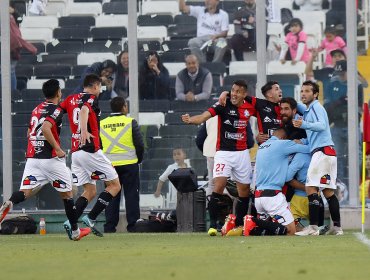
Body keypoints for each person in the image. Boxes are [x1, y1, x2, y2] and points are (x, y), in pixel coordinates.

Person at [0, 79, 90, 241]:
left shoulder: (36, 109)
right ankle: (75, 232)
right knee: (67, 195)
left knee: (25, 192)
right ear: (58, 93)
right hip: (50, 159)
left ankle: (9, 203)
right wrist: (57, 148)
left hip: (33, 158)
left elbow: (30, 133)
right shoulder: (56, 110)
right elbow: (46, 128)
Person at [44, 74, 121, 237]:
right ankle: (91, 218)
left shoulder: (70, 99)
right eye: (99, 88)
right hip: (90, 149)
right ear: (94, 87)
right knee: (115, 185)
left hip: (76, 153)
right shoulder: (92, 98)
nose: (100, 91)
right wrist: (84, 130)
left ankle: (70, 222)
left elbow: (57, 110)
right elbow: (85, 109)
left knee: (90, 190)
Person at [182, 80, 255, 235]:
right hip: (223, 153)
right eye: (232, 90)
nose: (234, 93)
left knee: (244, 191)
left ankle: (239, 226)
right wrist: (190, 120)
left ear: (244, 94)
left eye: (238, 91)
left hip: (242, 154)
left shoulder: (250, 106)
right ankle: (213, 226)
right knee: (218, 187)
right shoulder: (222, 105)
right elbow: (203, 117)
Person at [293, 80, 343, 235]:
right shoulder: (309, 110)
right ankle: (337, 227)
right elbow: (318, 133)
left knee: (310, 187)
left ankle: (313, 228)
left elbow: (322, 126)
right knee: (328, 191)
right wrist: (303, 140)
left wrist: (303, 124)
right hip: (327, 152)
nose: (304, 94)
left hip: (322, 153)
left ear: (315, 94)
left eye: (308, 91)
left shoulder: (316, 107)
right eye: (302, 91)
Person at [248, 128, 310, 236]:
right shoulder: (282, 144)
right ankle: (252, 221)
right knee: (291, 230)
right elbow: (308, 149)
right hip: (273, 197)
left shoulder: (262, 147)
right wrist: (302, 141)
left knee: (266, 232)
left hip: (259, 197)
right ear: (283, 138)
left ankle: (254, 226)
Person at [100, 96, 144, 233]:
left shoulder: (101, 123)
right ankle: (133, 226)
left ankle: (109, 227)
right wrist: (139, 159)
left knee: (111, 197)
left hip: (109, 166)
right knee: (131, 196)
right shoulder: (130, 122)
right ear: (124, 107)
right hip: (129, 164)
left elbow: (99, 147)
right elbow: (139, 144)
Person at [325, 60, 363, 183]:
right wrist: (340, 102)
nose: (340, 76)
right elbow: (328, 105)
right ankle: (341, 184)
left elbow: (360, 107)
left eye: (343, 73)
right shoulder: (332, 84)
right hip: (336, 124)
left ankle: (357, 182)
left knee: (356, 155)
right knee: (337, 156)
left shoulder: (356, 84)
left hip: (351, 124)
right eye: (339, 73)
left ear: (348, 71)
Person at [8, 10, 37, 91]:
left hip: (10, 49)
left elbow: (20, 19)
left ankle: (12, 96)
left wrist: (14, 11)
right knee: (10, 72)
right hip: (11, 48)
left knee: (10, 72)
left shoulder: (10, 17)